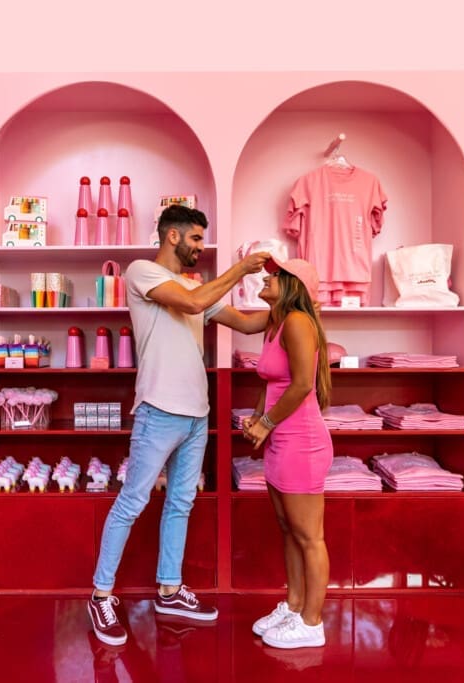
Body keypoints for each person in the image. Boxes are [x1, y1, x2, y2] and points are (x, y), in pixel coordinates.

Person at [88, 205, 273, 646]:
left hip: (197, 414)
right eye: (194, 240)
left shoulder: (196, 290)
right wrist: (240, 268)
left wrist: (295, 306)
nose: (199, 248)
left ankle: (169, 589)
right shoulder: (143, 274)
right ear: (172, 236)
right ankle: (100, 594)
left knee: (180, 504)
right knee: (132, 502)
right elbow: (191, 301)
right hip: (158, 410)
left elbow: (246, 324)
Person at [242, 256, 333, 649]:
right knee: (289, 530)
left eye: (275, 274)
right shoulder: (275, 324)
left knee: (310, 536)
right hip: (283, 440)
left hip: (302, 442)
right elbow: (273, 382)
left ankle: (312, 623)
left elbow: (300, 386)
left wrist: (266, 423)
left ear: (294, 285)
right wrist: (258, 417)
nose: (267, 276)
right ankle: (294, 606)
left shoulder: (297, 322)